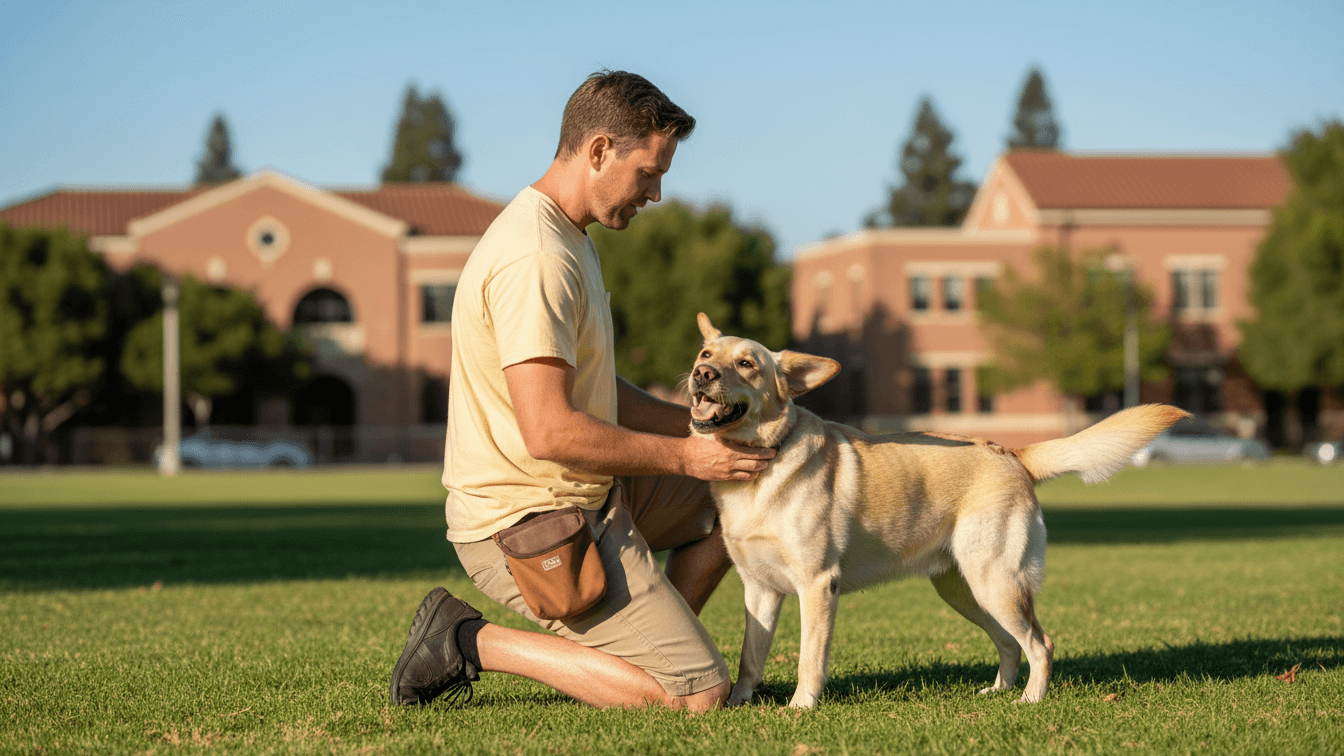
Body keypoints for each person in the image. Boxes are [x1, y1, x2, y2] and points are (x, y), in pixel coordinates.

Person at [388, 70, 775, 711]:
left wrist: (699, 428)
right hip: (527, 522)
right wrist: (685, 457)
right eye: (648, 172)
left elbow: (598, 394)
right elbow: (552, 431)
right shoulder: (536, 256)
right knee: (699, 697)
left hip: (586, 493)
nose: (655, 193)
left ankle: (642, 645)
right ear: (599, 150)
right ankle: (466, 639)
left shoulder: (571, 237)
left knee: (736, 492)